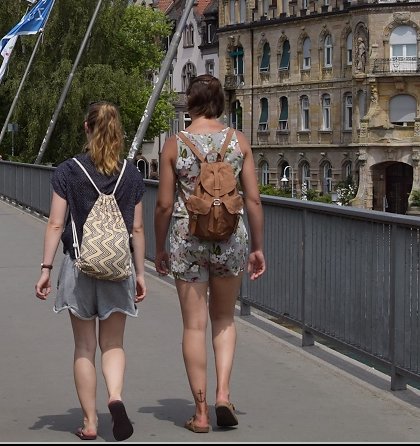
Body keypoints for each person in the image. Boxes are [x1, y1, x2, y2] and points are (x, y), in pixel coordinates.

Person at [154, 74, 265, 434]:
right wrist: (257, 247)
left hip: (187, 240)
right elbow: (253, 200)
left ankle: (200, 413)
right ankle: (223, 394)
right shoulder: (239, 141)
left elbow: (164, 205)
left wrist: (160, 247)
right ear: (220, 103)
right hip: (231, 239)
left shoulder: (175, 144)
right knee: (224, 319)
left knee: (194, 325)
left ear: (190, 102)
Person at [36, 101, 146, 442]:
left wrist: (45, 268)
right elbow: (137, 229)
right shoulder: (131, 174)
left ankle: (90, 423)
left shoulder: (68, 171)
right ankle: (115, 397)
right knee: (113, 344)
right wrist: (141, 273)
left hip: (78, 265)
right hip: (118, 267)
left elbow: (56, 224)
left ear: (87, 128)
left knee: (84, 347)